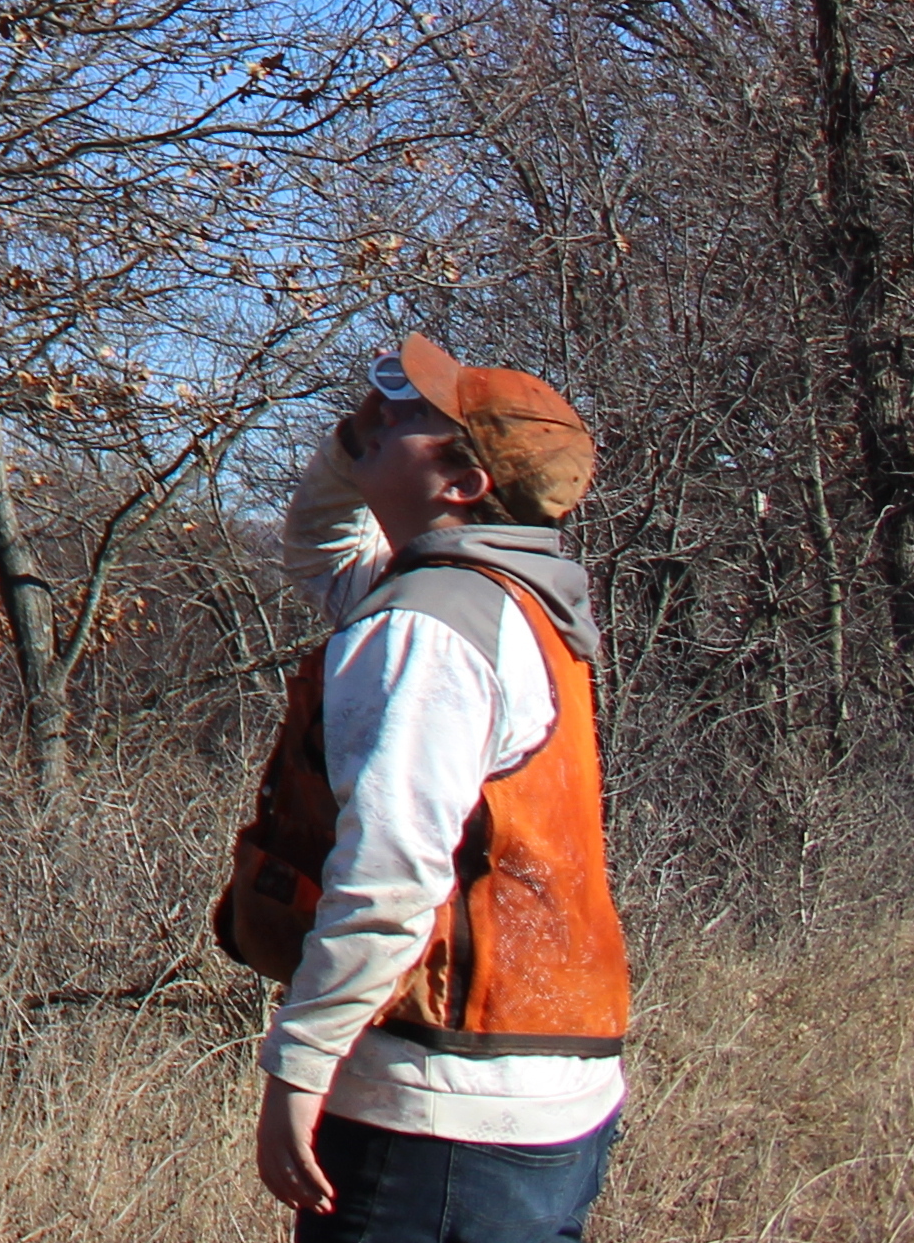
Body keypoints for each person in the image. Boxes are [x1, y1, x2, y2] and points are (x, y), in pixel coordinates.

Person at [215, 334, 630, 1243]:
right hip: (541, 1092)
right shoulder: (503, 600)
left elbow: (391, 877)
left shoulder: (427, 629)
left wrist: (299, 1068)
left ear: (464, 486)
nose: (385, 406)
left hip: (439, 1117)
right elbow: (319, 547)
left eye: (418, 415)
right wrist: (352, 445)